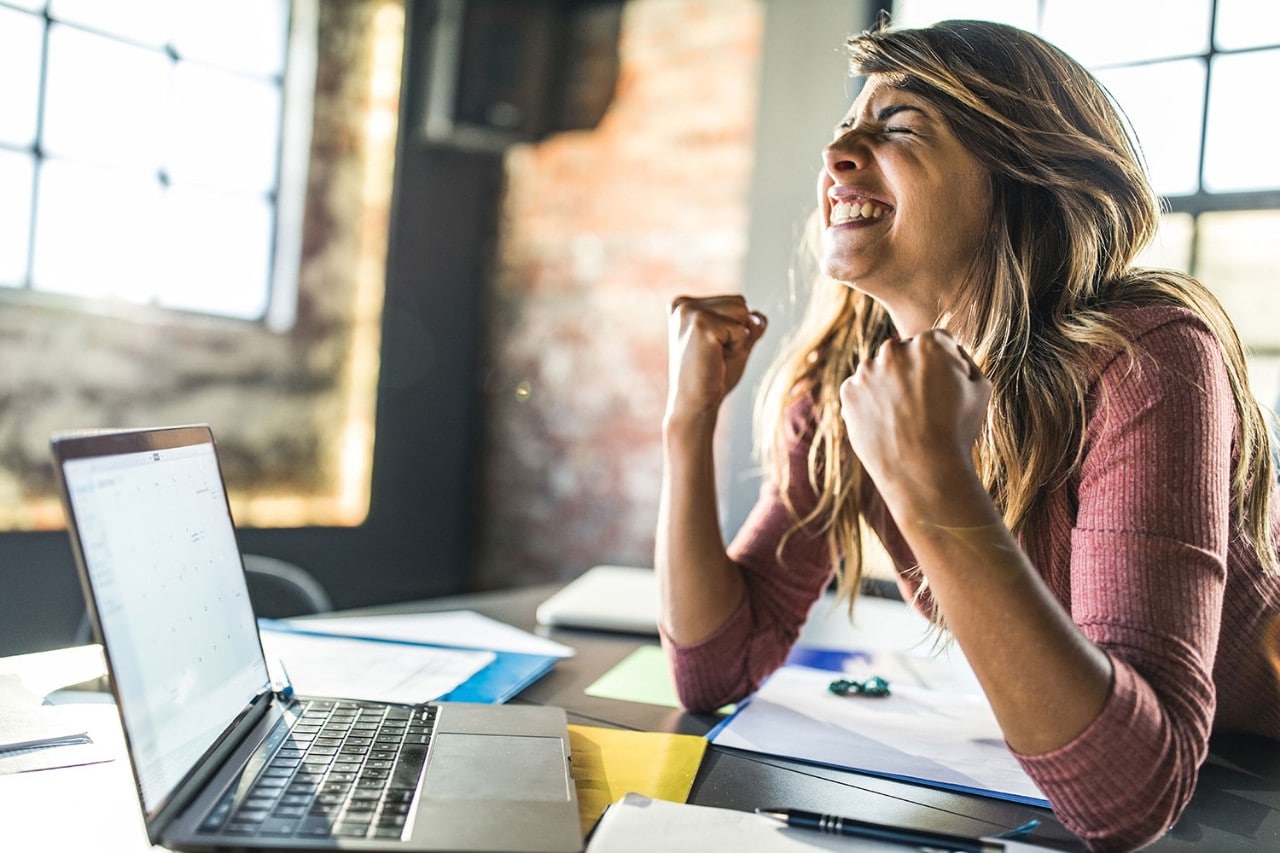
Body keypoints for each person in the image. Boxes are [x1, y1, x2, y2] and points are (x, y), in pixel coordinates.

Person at [656, 17, 1280, 853]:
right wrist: (687, 420)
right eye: (847, 127)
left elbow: (1133, 791)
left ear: (1023, 176)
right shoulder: (852, 377)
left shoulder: (1144, 355)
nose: (838, 152)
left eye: (899, 126)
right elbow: (715, 667)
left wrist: (928, 479)